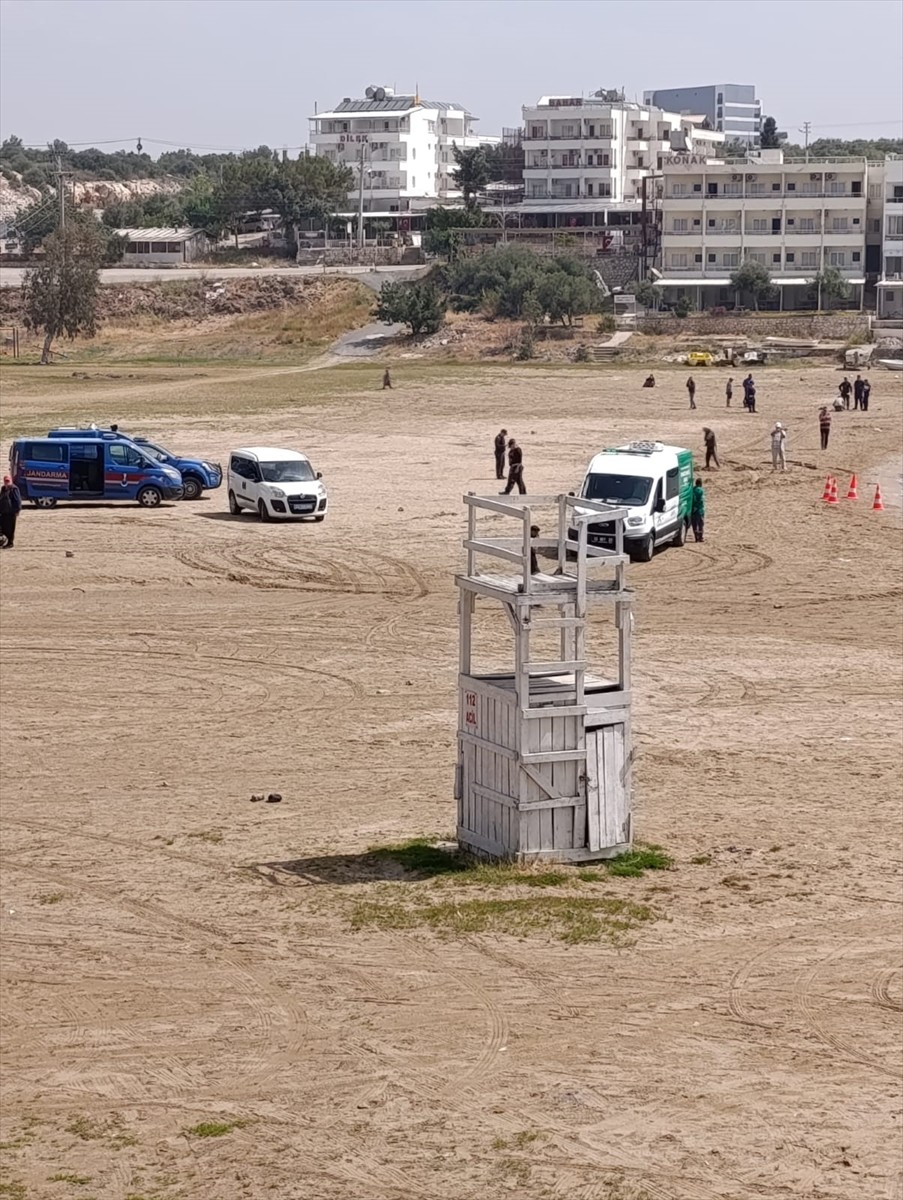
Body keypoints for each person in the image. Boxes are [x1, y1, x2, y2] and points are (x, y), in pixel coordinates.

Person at [0, 475, 22, 549]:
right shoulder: (3, 488)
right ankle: (2, 542)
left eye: (8, 481)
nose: (7, 482)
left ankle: (10, 543)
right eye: (5, 481)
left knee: (10, 529)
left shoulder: (14, 489)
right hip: (3, 511)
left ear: (11, 481)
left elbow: (18, 500)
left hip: (11, 512)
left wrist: (18, 510)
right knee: (3, 528)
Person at [690, 477, 705, 543]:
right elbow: (701, 500)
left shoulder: (692, 490)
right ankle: (700, 537)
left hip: (693, 510)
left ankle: (696, 537)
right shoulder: (701, 490)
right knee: (700, 524)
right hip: (700, 510)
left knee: (694, 524)